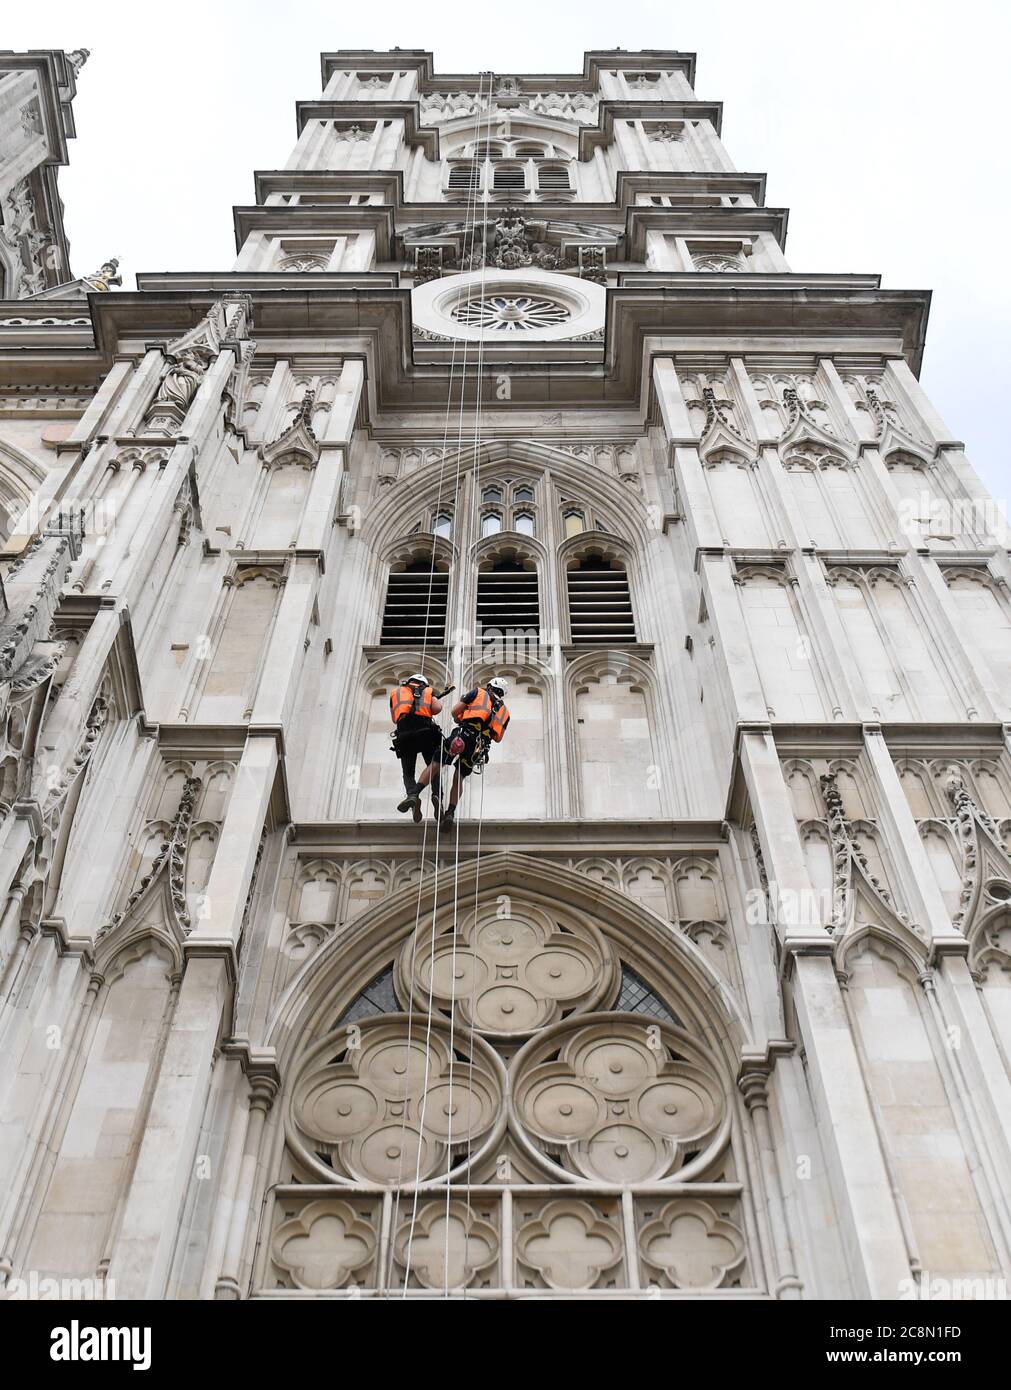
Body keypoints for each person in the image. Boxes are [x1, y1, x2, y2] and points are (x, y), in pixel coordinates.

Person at [440, 677, 510, 826]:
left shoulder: (479, 692)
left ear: (490, 686)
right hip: (478, 747)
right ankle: (450, 811)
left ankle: (428, 791)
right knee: (458, 778)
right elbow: (497, 738)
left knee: (438, 761)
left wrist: (462, 714)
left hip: (465, 734)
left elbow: (454, 712)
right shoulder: (505, 712)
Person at [389, 674, 444, 822]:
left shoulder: (396, 692)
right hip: (425, 733)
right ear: (424, 683)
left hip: (404, 735)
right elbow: (437, 708)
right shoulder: (428, 691)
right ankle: (437, 795)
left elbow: (395, 716)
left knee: (408, 773)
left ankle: (412, 798)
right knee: (433, 767)